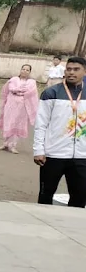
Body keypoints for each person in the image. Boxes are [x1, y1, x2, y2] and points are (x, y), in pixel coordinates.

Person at [34, 56, 86, 207]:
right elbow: (41, 124)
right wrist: (38, 150)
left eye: (76, 69)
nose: (71, 72)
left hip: (82, 156)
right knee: (45, 195)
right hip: (53, 154)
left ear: (84, 72)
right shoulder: (51, 93)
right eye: (69, 69)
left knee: (80, 197)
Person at [0, 64, 39, 153]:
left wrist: (19, 91)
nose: (25, 71)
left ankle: (13, 145)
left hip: (22, 107)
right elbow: (7, 90)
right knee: (8, 122)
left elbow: (31, 93)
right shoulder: (13, 80)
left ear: (30, 72)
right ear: (20, 70)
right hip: (11, 104)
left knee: (18, 124)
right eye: (23, 69)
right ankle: (5, 143)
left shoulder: (32, 83)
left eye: (27, 70)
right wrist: (17, 91)